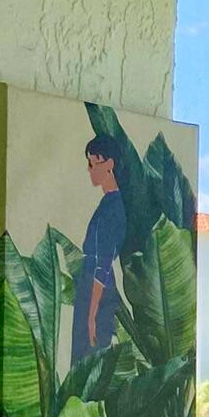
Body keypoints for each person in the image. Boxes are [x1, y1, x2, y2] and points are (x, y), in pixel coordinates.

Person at [72, 134, 125, 363]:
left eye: (93, 163)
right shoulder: (108, 203)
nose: (89, 169)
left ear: (109, 164)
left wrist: (91, 314)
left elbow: (103, 264)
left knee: (89, 358)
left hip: (97, 291)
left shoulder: (113, 207)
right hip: (90, 287)